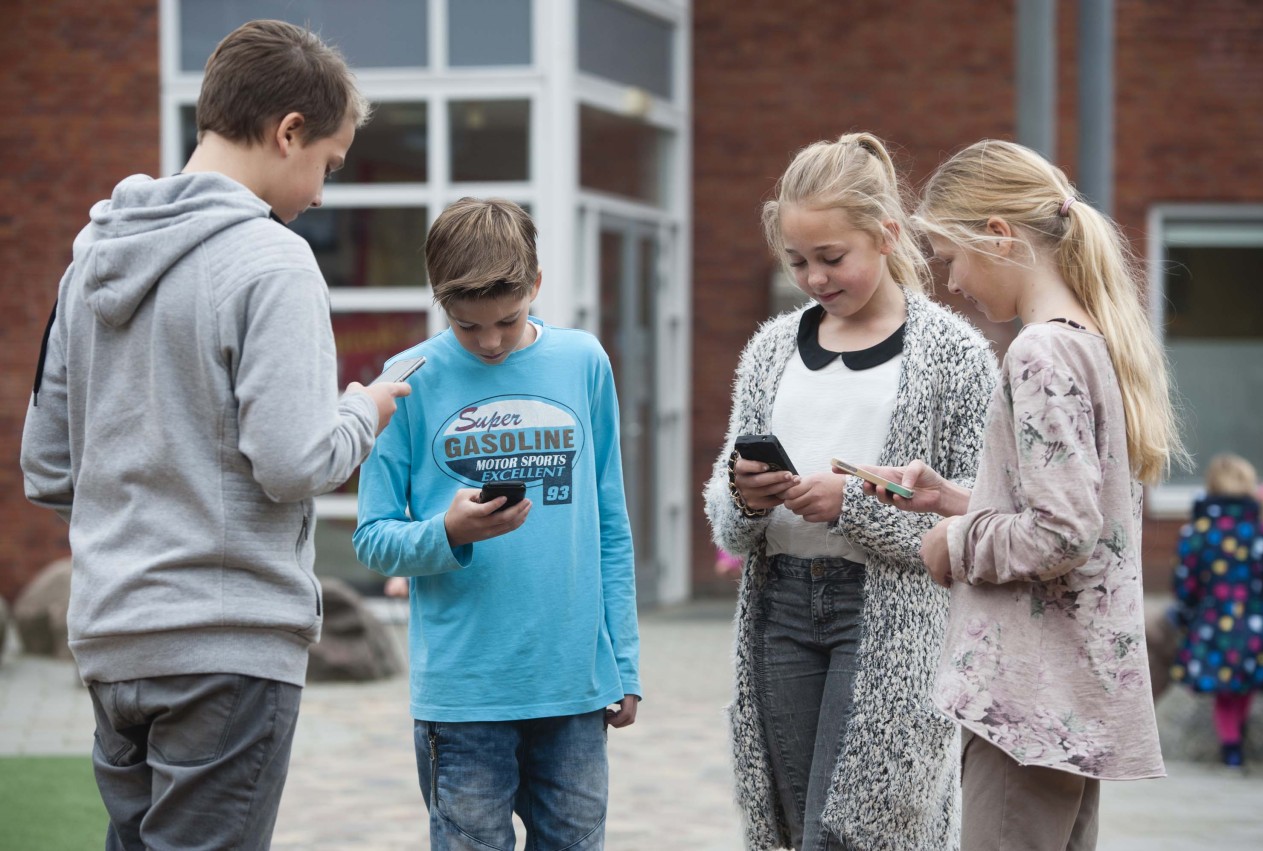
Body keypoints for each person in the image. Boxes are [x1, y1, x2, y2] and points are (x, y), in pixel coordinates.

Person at [18, 20, 408, 851]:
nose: (322, 194)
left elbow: (48, 465)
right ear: (288, 131)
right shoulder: (272, 260)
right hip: (225, 647)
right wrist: (364, 412)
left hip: (112, 642)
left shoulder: (89, 260)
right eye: (328, 166)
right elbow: (294, 459)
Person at [861, 139, 1184, 851]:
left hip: (1027, 699)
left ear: (999, 236)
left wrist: (954, 542)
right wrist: (956, 498)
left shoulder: (1039, 352)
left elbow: (1061, 533)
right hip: (1065, 695)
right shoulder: (1089, 343)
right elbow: (1073, 504)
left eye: (951, 257)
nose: (951, 283)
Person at [704, 132, 996, 850]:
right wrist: (745, 494)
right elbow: (725, 517)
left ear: (887, 235)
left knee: (859, 834)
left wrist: (853, 506)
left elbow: (973, 524)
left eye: (832, 257)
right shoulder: (772, 349)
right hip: (779, 607)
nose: (814, 277)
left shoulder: (955, 357)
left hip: (890, 618)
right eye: (797, 261)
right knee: (795, 828)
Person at [352, 197, 641, 851]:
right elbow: (372, 537)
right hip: (463, 697)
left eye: (506, 321)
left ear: (536, 284)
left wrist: (623, 661)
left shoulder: (583, 362)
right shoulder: (404, 380)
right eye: (467, 324)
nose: (489, 342)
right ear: (439, 302)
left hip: (573, 689)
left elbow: (611, 527)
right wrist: (447, 532)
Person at [1170, 453, 1263, 767]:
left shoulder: (1197, 532)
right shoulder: (1262, 533)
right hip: (1255, 620)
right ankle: (1236, 734)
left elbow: (1185, 582)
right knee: (1245, 683)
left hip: (1212, 622)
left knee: (1224, 690)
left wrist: (1187, 613)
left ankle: (1231, 745)